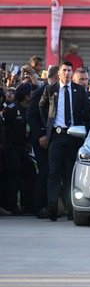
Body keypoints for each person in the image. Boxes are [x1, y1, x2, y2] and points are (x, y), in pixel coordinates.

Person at [39, 61, 90, 221]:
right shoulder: (51, 89)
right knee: (53, 173)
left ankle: (72, 210)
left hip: (73, 136)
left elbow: (88, 112)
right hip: (56, 136)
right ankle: (52, 209)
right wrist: (47, 126)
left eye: (70, 70)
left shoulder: (79, 91)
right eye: (64, 70)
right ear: (59, 72)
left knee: (71, 173)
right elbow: (42, 106)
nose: (67, 73)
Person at [26, 65, 59, 219]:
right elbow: (31, 116)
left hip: (54, 138)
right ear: (56, 76)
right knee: (44, 170)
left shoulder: (60, 93)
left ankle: (51, 204)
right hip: (41, 139)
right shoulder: (40, 92)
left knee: (52, 172)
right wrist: (41, 134)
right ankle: (39, 205)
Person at [2, 83, 33, 215]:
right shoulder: (11, 109)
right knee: (13, 176)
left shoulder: (28, 109)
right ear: (26, 97)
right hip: (11, 148)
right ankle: (11, 205)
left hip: (23, 148)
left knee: (30, 173)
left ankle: (29, 204)